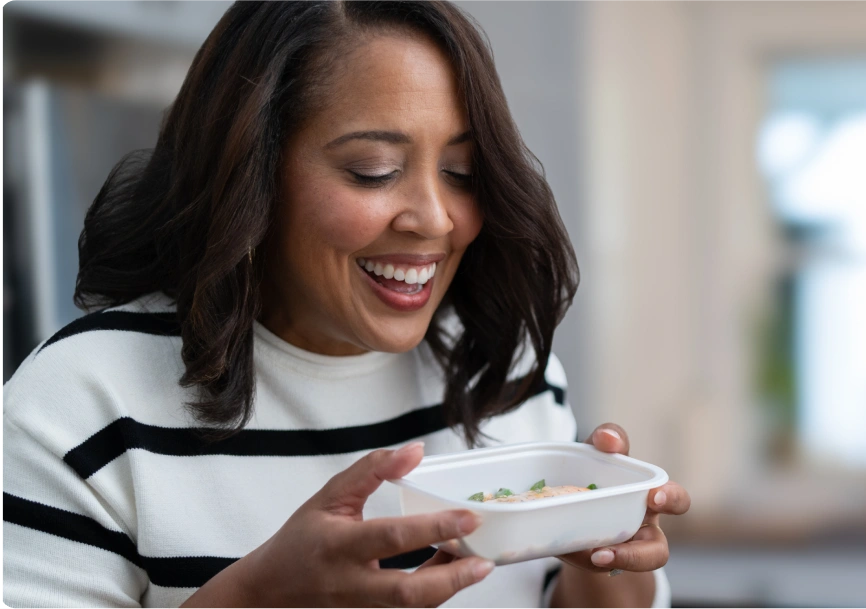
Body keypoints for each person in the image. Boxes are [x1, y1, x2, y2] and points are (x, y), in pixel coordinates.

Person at [0, 0, 691, 607]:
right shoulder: (76, 409)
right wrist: (255, 600)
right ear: (251, 172)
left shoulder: (498, 365)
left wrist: (605, 548)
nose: (434, 218)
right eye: (374, 172)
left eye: (462, 172)